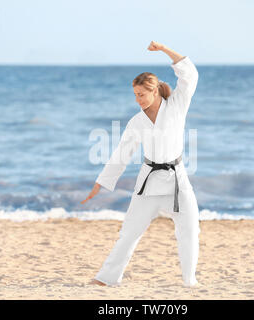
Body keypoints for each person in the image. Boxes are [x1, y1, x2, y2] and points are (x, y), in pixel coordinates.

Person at [81, 41, 200, 287]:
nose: (138, 100)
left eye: (141, 94)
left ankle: (190, 282)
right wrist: (99, 184)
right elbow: (121, 155)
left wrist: (165, 49)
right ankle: (106, 279)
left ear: (154, 91)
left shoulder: (177, 105)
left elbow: (190, 74)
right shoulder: (136, 122)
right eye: (135, 95)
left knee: (190, 231)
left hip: (178, 180)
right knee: (129, 233)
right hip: (148, 184)